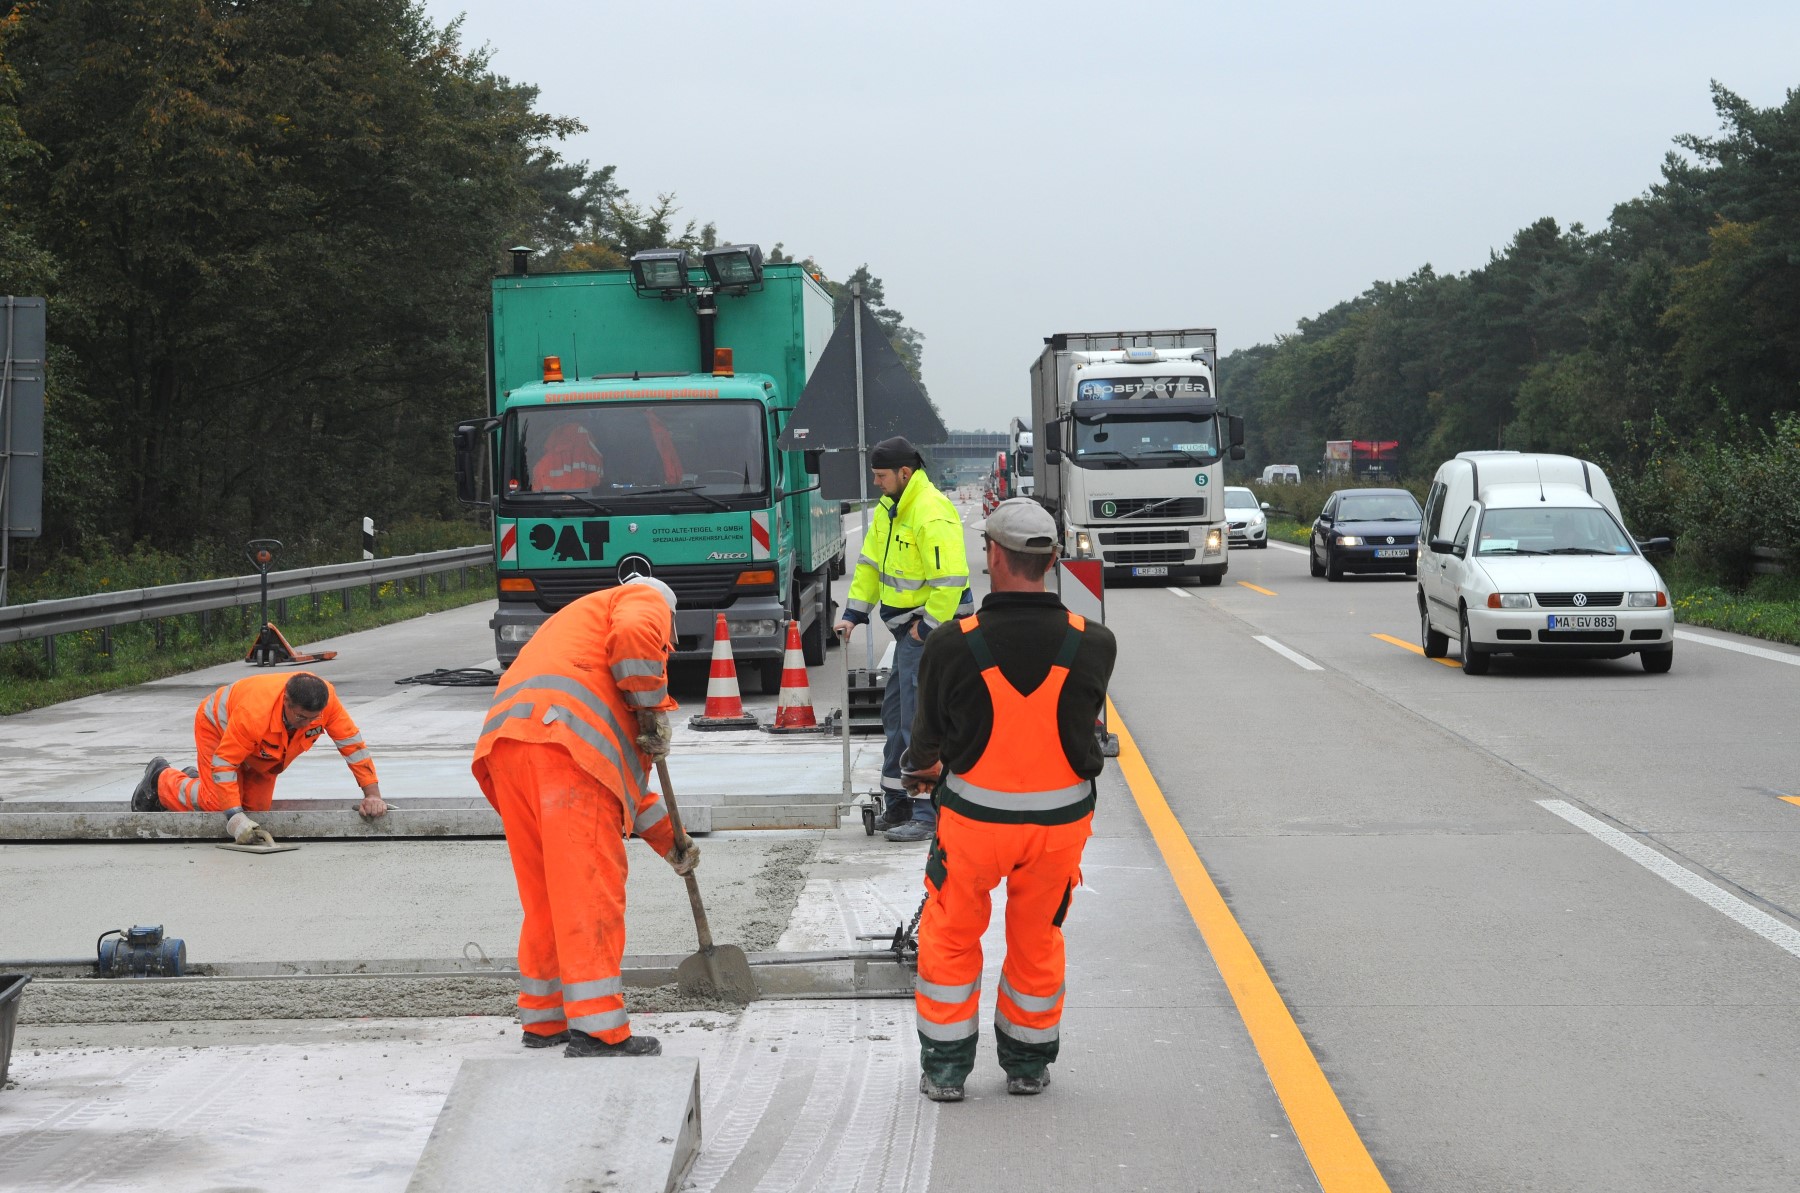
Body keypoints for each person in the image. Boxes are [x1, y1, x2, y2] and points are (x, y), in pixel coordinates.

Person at [902, 498, 1117, 1102]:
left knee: (951, 933)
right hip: (1058, 829)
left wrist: (922, 774)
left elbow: (925, 748)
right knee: (1037, 939)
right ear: (1051, 560)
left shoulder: (951, 643)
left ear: (993, 554)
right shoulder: (1095, 644)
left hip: (974, 825)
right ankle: (1026, 1065)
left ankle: (945, 1071)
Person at [471, 574, 700, 1058]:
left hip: (511, 747)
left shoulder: (577, 626)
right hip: (564, 750)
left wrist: (672, 840)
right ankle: (598, 1030)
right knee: (590, 892)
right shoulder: (644, 596)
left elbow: (622, 789)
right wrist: (650, 706)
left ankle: (544, 1018)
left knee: (548, 897)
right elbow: (639, 632)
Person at [834, 436, 971, 843]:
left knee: (918, 722)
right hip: (910, 633)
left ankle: (926, 812)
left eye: (880, 475)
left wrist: (925, 628)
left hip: (932, 633)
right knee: (895, 718)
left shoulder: (931, 512)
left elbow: (951, 581)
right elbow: (870, 567)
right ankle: (897, 804)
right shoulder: (890, 511)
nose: (876, 482)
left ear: (904, 473)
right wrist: (852, 615)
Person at [129, 672, 388, 844]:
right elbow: (225, 763)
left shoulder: (326, 702)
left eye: (313, 719)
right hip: (218, 728)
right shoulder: (254, 714)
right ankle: (161, 780)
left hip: (261, 754)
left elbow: (353, 745)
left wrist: (372, 795)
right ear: (286, 701)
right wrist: (233, 817)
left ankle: (198, 781)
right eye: (300, 718)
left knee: (255, 812)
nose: (306, 725)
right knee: (218, 806)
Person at [530, 421, 606, 492]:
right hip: (590, 505)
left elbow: (536, 496)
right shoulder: (595, 457)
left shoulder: (543, 463)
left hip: (553, 505)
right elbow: (602, 490)